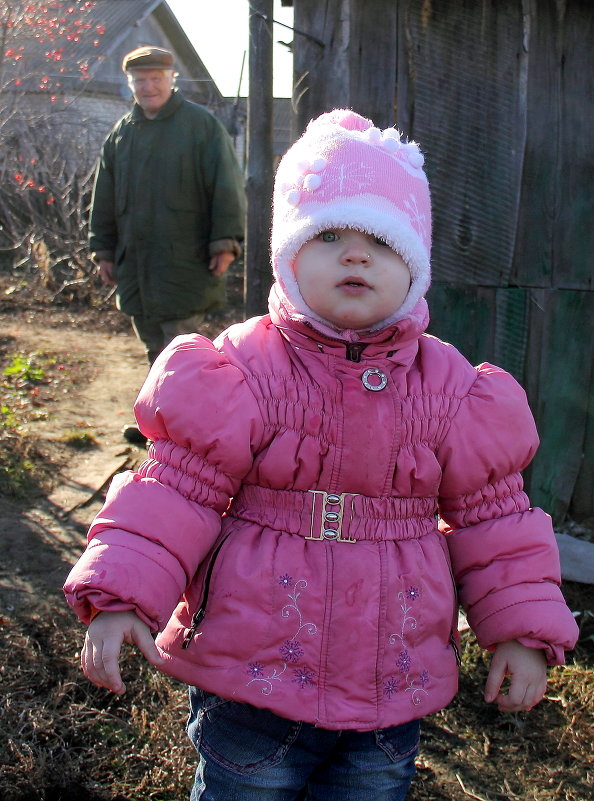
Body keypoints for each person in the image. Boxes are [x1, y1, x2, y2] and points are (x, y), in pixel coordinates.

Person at [64, 109, 579, 801]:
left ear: (416, 266)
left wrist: (519, 629)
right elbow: (174, 488)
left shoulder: (453, 391)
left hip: (389, 688)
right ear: (287, 255)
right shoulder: (244, 371)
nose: (355, 254)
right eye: (329, 234)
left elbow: (495, 521)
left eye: (380, 240)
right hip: (252, 677)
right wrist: (123, 594)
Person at [89, 45, 245, 442]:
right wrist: (104, 251)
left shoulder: (201, 127)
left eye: (156, 79)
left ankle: (181, 432)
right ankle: (160, 428)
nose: (148, 87)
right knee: (153, 349)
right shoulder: (121, 135)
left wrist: (224, 243)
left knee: (180, 351)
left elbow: (226, 186)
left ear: (171, 80)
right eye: (140, 81)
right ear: (131, 85)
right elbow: (103, 198)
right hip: (136, 265)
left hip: (185, 264)